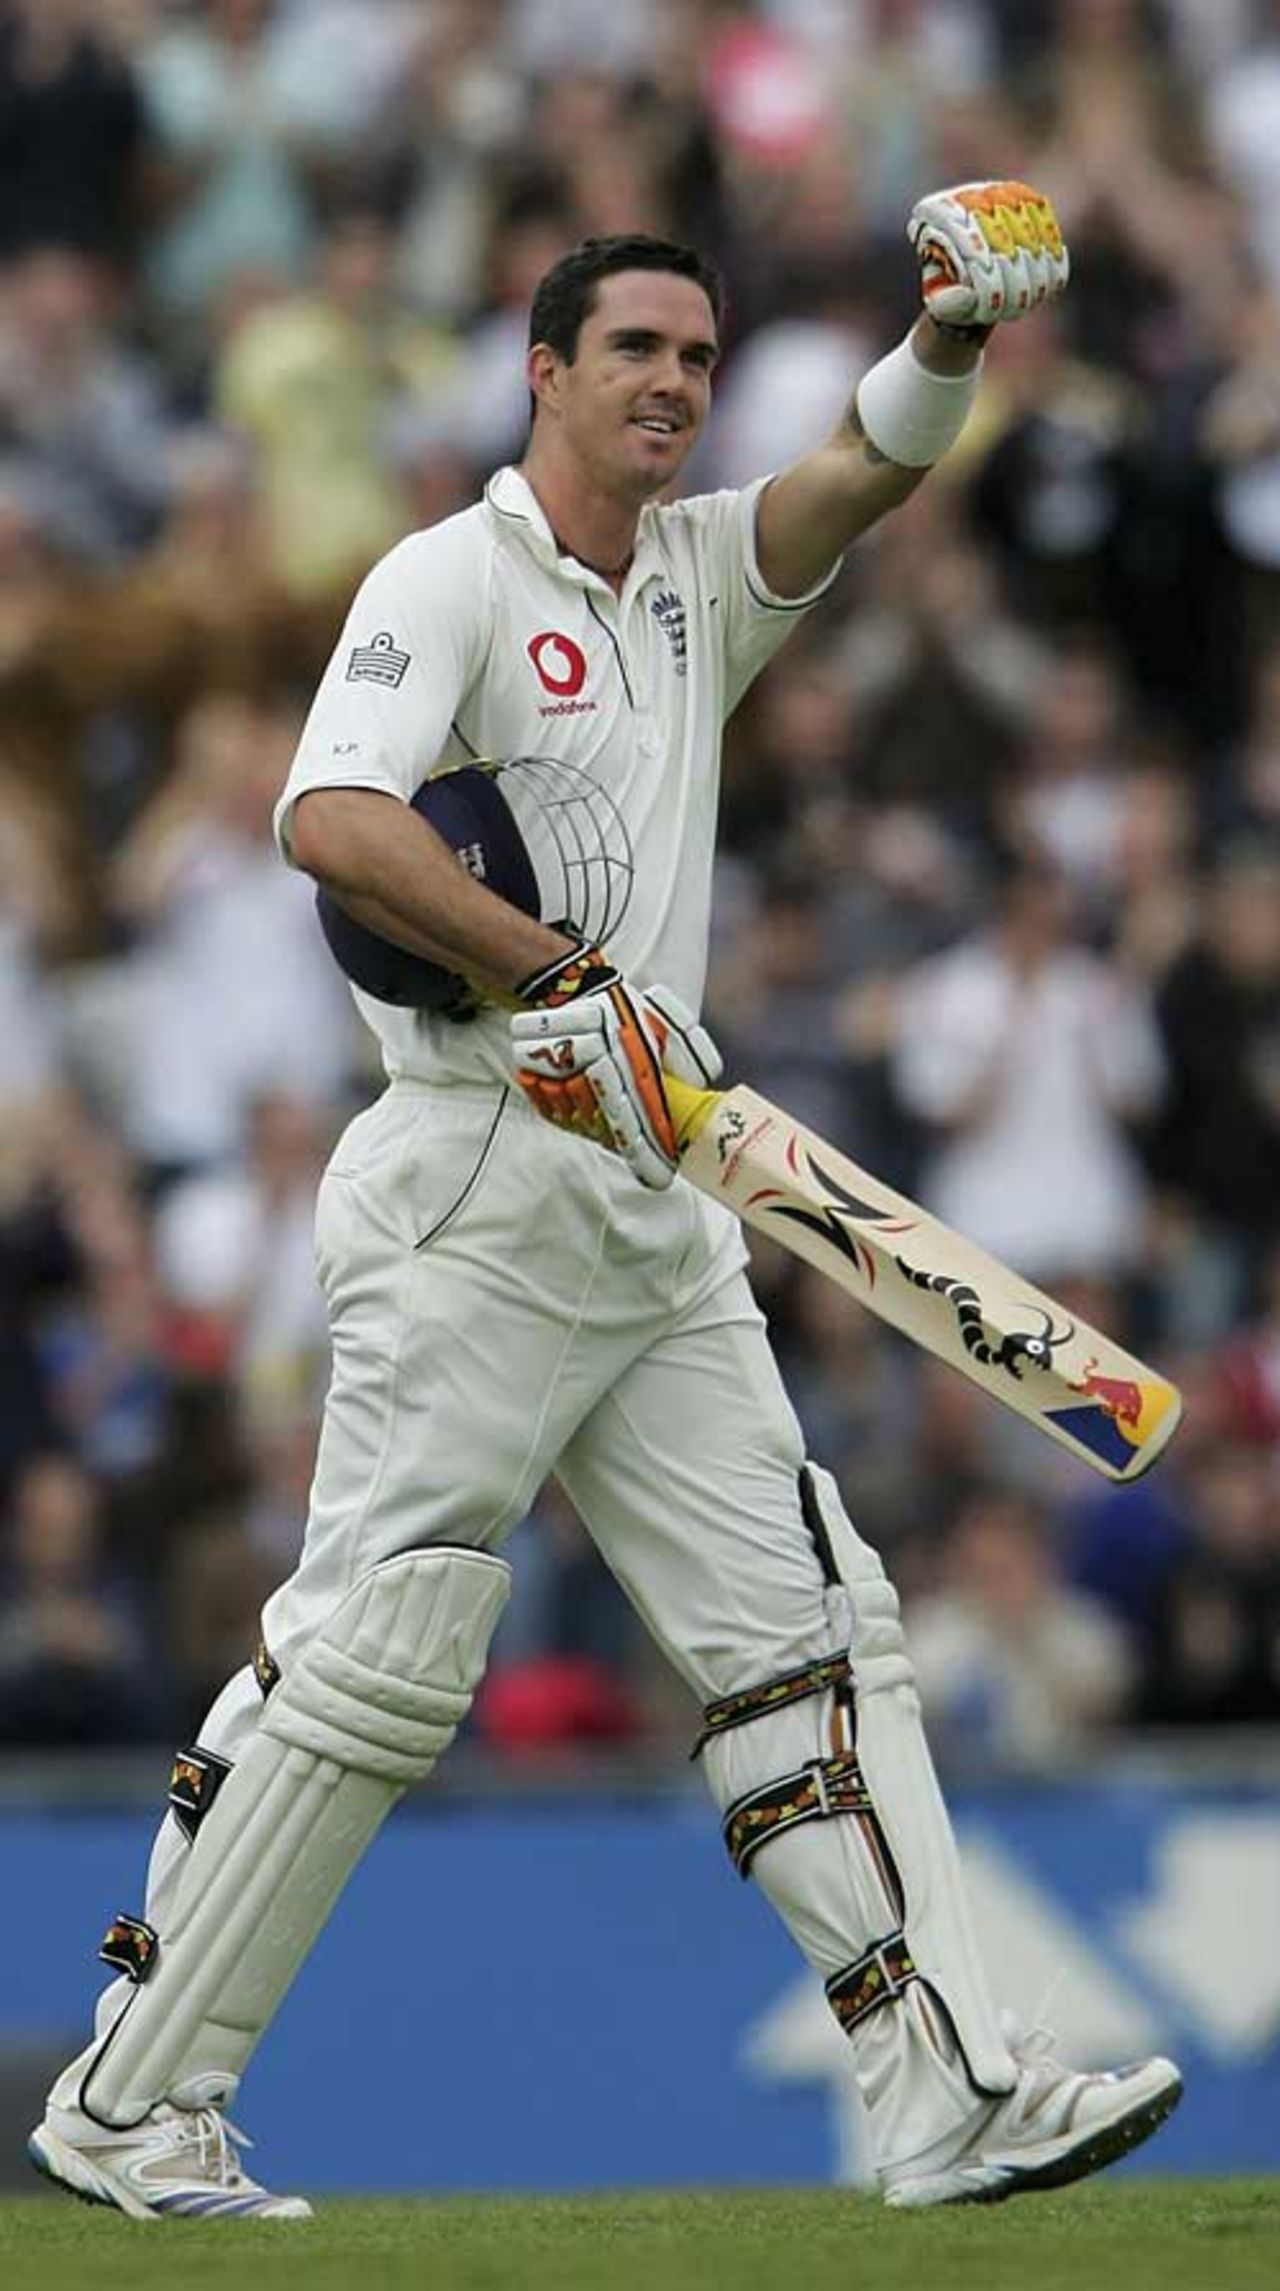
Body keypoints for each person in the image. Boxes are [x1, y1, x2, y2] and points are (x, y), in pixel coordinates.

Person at [30, 191, 1182, 2221]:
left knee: (812, 1641)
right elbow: (334, 818)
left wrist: (943, 343)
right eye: (633, 349)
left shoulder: (698, 583)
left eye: (698, 358)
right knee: (381, 1661)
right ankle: (136, 2102)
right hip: (472, 1176)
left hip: (657, 1208)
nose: (671, 383)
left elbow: (849, 480)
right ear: (545, 370)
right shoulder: (450, 577)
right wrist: (547, 976)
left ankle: (948, 2093)